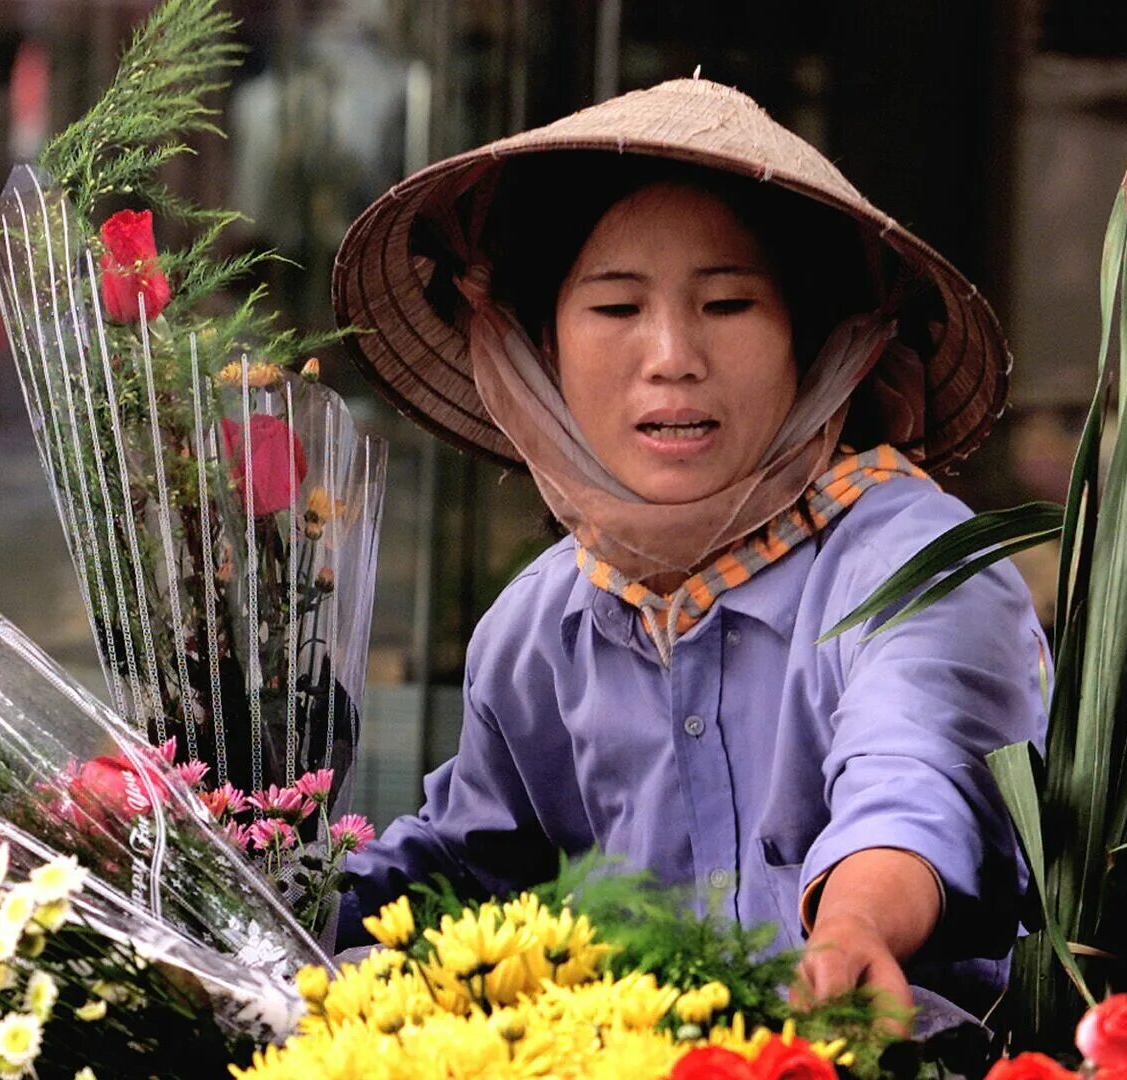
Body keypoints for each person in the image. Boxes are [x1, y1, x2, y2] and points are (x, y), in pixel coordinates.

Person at [331, 78, 1046, 1025]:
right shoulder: (540, 626)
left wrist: (853, 929)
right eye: (617, 309)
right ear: (541, 348)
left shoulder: (914, 568)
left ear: (814, 337)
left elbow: (913, 779)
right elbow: (463, 865)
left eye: (729, 303)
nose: (671, 354)